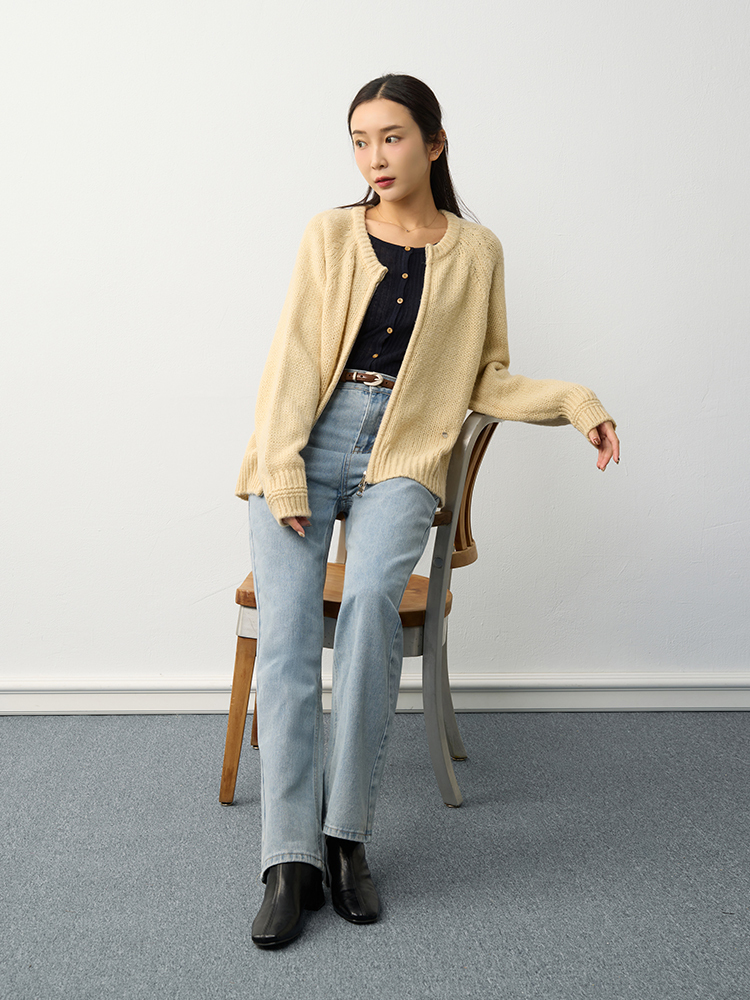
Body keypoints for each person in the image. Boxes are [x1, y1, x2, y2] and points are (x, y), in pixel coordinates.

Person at [235, 74, 619, 948]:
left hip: (404, 454)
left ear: (435, 143)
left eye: (393, 137)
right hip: (306, 442)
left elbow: (485, 376)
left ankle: (346, 840)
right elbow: (294, 358)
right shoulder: (330, 234)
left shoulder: (477, 252)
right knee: (288, 639)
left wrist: (576, 402)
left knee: (372, 603)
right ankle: (288, 862)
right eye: (360, 141)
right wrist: (283, 469)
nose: (375, 157)